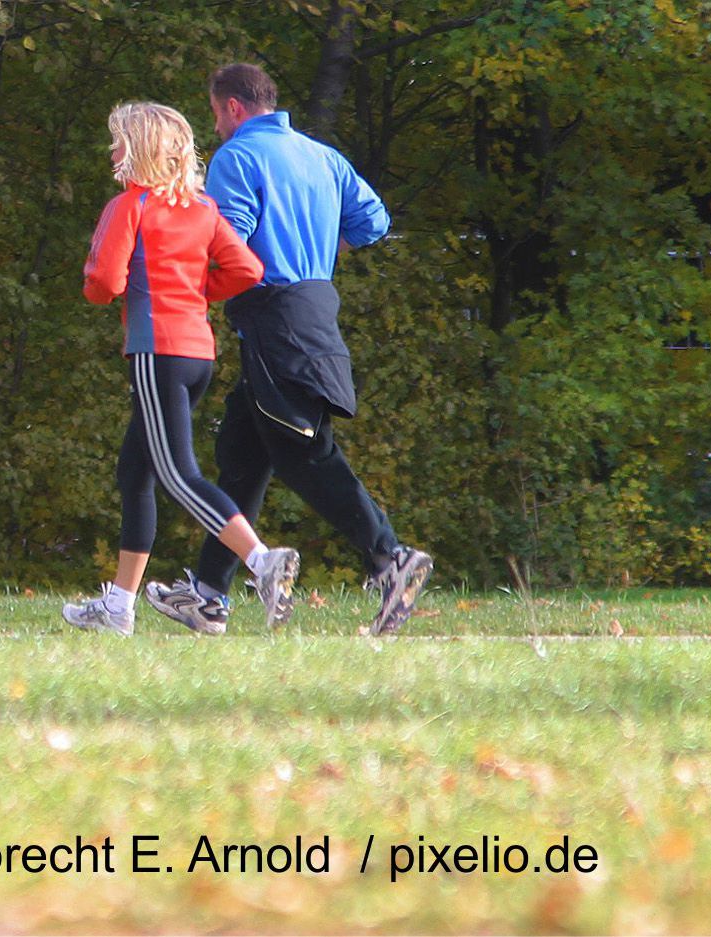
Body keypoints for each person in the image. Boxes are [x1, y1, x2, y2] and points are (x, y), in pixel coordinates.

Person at [142, 63, 434, 637]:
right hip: (311, 311)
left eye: (214, 113)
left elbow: (226, 239)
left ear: (231, 107)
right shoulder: (322, 156)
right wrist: (320, 252)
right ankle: (208, 595)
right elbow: (374, 220)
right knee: (243, 456)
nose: (216, 127)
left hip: (276, 319)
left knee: (303, 452)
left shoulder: (237, 158)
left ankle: (389, 557)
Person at [62, 102, 300, 636]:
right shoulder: (202, 209)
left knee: (176, 473)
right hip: (198, 354)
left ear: (140, 149)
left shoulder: (130, 206)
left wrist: (108, 289)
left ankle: (262, 562)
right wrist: (197, 292)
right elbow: (247, 269)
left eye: (119, 141)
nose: (113, 152)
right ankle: (119, 606)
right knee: (136, 471)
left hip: (156, 352)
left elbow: (103, 283)